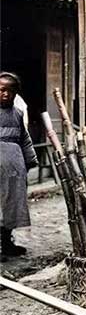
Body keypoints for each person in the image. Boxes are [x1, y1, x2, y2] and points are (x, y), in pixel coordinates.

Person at [0, 72, 38, 260]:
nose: (6, 94)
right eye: (2, 90)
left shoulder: (18, 114)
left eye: (11, 91)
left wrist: (29, 161)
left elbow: (24, 139)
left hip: (14, 168)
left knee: (11, 206)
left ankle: (7, 243)